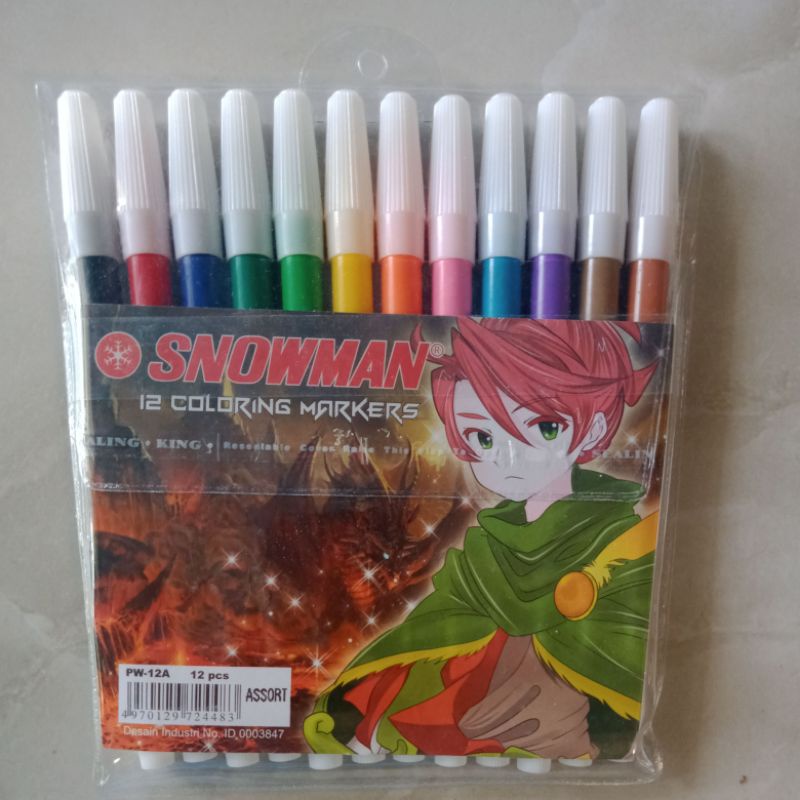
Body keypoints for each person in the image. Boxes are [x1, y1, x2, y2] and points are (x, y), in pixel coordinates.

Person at [305, 317, 660, 762]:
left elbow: (618, 644)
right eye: (483, 437)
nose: (509, 458)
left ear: (590, 430)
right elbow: (434, 627)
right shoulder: (487, 543)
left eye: (545, 428)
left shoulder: (614, 537)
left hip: (547, 713)